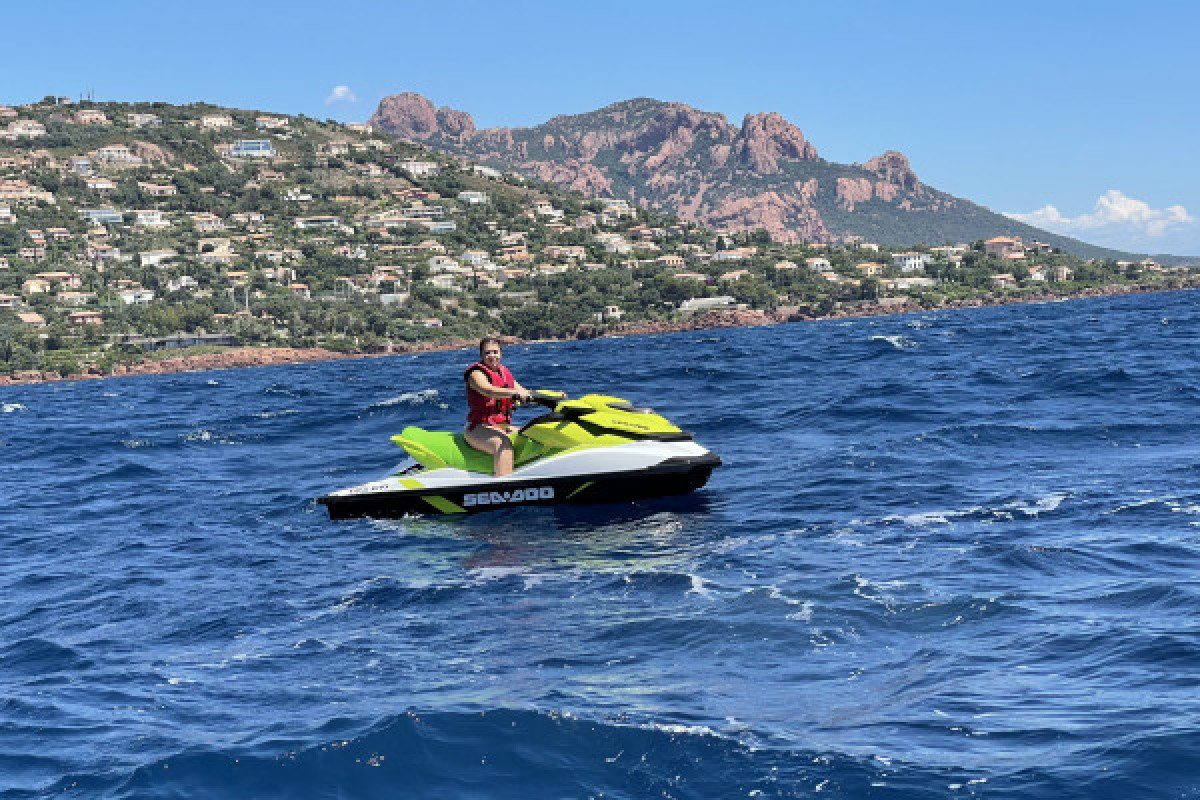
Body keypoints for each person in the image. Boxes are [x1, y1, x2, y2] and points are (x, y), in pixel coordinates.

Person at [463, 337, 533, 476]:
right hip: (479, 427)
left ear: (501, 354)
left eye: (495, 352)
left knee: (532, 434)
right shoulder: (476, 374)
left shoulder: (504, 373)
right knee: (503, 445)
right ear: (482, 356)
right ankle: (505, 488)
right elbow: (487, 390)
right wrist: (514, 393)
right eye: (488, 353)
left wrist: (554, 396)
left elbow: (524, 391)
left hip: (501, 426)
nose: (492, 356)